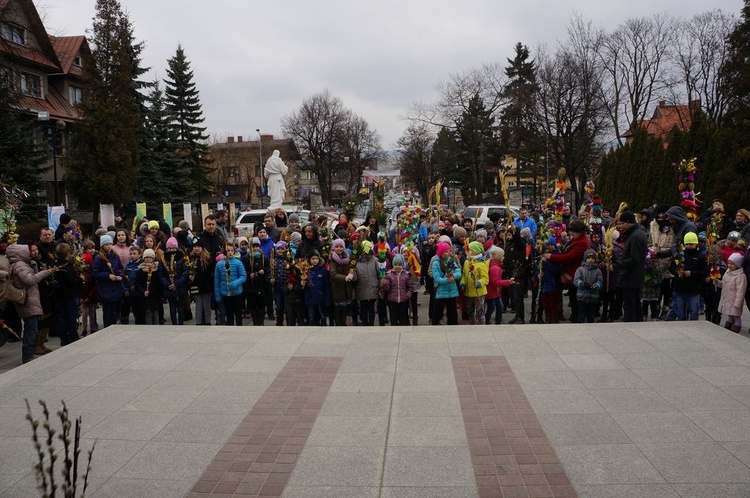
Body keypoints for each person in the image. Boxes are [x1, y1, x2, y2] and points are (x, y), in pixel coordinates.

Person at [7, 243, 53, 363]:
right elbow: (30, 280)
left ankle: (29, 353)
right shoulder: (20, 265)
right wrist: (45, 273)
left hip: (30, 299)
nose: (30, 253)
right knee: (30, 329)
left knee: (32, 327)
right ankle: (27, 356)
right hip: (28, 301)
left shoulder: (22, 264)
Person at [544, 220, 591, 323]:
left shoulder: (582, 242)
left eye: (573, 231)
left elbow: (569, 257)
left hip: (574, 273)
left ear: (579, 231)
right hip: (570, 272)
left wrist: (551, 256)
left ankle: (576, 318)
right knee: (573, 297)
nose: (571, 233)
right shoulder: (576, 240)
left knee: (575, 298)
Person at [613, 211, 648, 322]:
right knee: (635, 303)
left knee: (630, 304)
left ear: (629, 222)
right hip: (634, 276)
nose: (620, 226)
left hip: (631, 276)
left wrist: (617, 266)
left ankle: (631, 324)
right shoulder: (636, 233)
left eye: (622, 223)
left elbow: (634, 259)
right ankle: (637, 323)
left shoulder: (635, 236)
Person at [669, 232, 707, 321]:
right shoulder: (679, 255)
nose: (689, 246)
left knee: (694, 313)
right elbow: (672, 268)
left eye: (692, 244)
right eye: (687, 244)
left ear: (696, 244)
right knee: (681, 314)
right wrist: (677, 272)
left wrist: (692, 273)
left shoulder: (700, 256)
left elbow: (704, 271)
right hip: (680, 288)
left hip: (694, 289)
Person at [92, 234, 124, 328]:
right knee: (107, 312)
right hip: (105, 288)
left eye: (110, 244)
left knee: (115, 311)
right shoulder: (99, 258)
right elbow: (95, 273)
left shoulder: (115, 256)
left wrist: (120, 276)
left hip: (116, 288)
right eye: (106, 244)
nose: (109, 246)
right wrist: (107, 275)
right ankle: (107, 328)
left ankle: (114, 326)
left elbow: (121, 269)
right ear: (102, 246)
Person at [214, 242, 247, 326]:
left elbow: (243, 276)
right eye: (228, 250)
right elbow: (217, 281)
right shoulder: (219, 264)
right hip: (225, 294)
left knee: (238, 314)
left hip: (237, 293)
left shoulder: (238, 263)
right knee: (228, 315)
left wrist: (235, 283)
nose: (230, 252)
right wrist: (218, 296)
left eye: (232, 250)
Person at [431, 242, 462, 325]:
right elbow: (437, 279)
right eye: (446, 251)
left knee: (452, 313)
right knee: (437, 312)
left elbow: (458, 272)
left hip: (452, 291)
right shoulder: (436, 263)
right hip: (441, 292)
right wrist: (447, 280)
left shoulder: (450, 261)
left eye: (449, 251)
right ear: (441, 253)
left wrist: (454, 277)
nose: (449, 253)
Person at [160, 237, 188, 325]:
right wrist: (168, 284)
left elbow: (185, 272)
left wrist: (177, 284)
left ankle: (181, 323)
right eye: (169, 248)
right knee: (172, 307)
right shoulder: (163, 259)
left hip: (180, 287)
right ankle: (174, 324)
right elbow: (161, 275)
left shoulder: (182, 259)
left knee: (180, 307)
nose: (171, 250)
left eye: (173, 248)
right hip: (169, 287)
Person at [461, 241, 490, 325]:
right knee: (470, 310)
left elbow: (485, 278)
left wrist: (479, 283)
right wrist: (463, 282)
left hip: (479, 293)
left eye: (470, 250)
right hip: (468, 292)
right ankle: (472, 324)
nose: (468, 252)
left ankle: (481, 325)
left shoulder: (482, 264)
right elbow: (464, 274)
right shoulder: (467, 262)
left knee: (479, 311)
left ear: (476, 251)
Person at [381, 254, 414, 326]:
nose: (397, 266)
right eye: (395, 265)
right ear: (393, 265)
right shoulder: (389, 275)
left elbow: (410, 287)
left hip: (403, 299)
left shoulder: (406, 275)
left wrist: (407, 295)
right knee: (394, 318)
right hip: (393, 300)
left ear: (402, 265)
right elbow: (387, 289)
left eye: (399, 265)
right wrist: (384, 283)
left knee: (403, 317)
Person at [718, 253, 747, 333]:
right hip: (727, 299)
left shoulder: (741, 276)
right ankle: (729, 328)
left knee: (736, 316)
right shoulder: (728, 272)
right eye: (729, 263)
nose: (730, 266)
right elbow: (724, 284)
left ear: (737, 265)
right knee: (730, 315)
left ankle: (736, 329)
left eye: (732, 264)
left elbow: (740, 291)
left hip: (734, 300)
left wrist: (738, 303)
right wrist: (717, 282)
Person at [574, 249, 603, 323]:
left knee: (591, 315)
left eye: (593, 258)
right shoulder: (580, 269)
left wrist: (596, 286)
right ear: (585, 259)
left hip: (593, 296)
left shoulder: (598, 271)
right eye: (589, 258)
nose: (591, 260)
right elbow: (576, 280)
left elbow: (600, 281)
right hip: (582, 296)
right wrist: (582, 284)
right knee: (581, 314)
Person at [133, 249, 162, 325]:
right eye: (146, 257)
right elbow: (137, 284)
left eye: (150, 257)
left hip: (155, 296)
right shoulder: (140, 270)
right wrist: (143, 291)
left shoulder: (157, 269)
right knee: (148, 314)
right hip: (145, 297)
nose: (148, 259)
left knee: (156, 314)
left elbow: (160, 282)